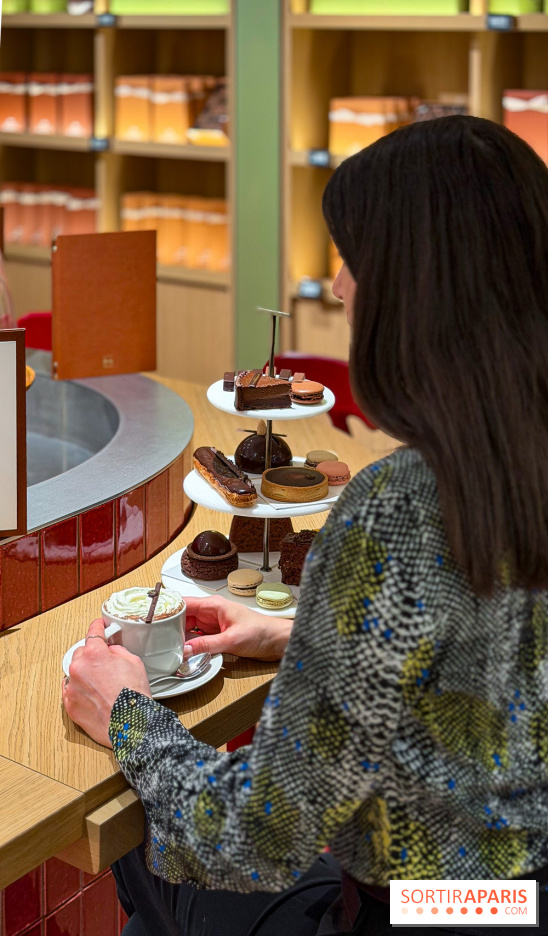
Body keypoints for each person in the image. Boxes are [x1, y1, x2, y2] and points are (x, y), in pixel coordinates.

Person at [63, 116, 548, 935]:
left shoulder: (400, 508)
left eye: (351, 261)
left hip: (425, 913)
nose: (338, 287)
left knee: (145, 852)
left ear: (411, 293)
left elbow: (254, 839)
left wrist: (127, 712)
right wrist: (311, 641)